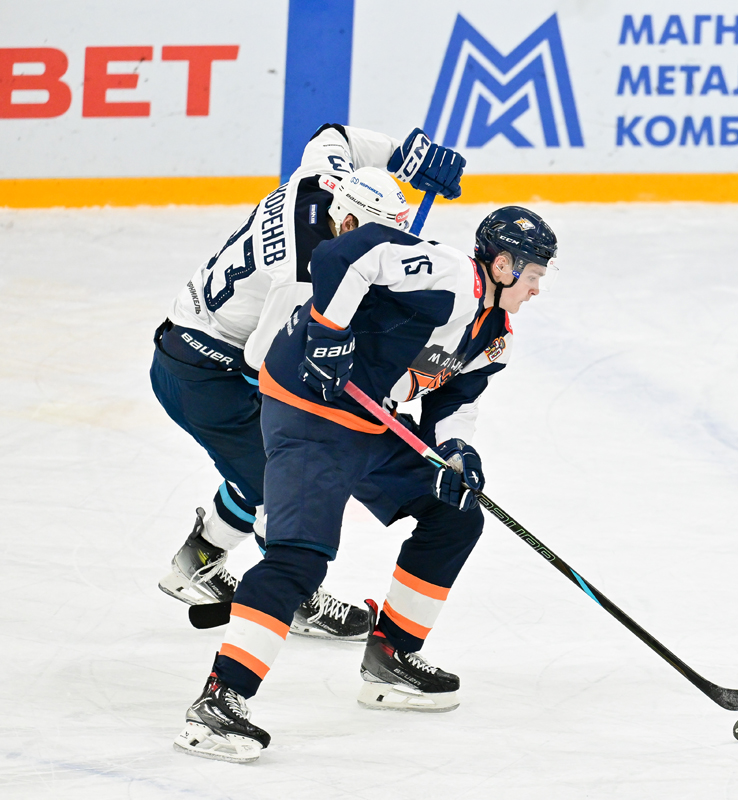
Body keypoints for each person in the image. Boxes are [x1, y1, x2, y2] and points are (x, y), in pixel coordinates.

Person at [172, 206, 558, 763]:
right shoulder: (449, 274)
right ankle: (219, 700)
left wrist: (456, 450)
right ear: (503, 265)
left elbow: (454, 401)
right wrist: (329, 333)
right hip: (308, 406)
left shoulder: (494, 336)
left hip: (368, 420)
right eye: (533, 274)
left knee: (454, 515)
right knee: (298, 559)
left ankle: (391, 657)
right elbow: (344, 253)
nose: (537, 289)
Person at [150, 123, 466, 640]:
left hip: (193, 343)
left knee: (258, 472)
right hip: (207, 371)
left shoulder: (321, 179)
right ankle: (294, 595)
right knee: (285, 481)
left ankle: (197, 561)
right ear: (348, 223)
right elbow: (266, 361)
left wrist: (407, 156)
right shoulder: (301, 277)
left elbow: (333, 134)